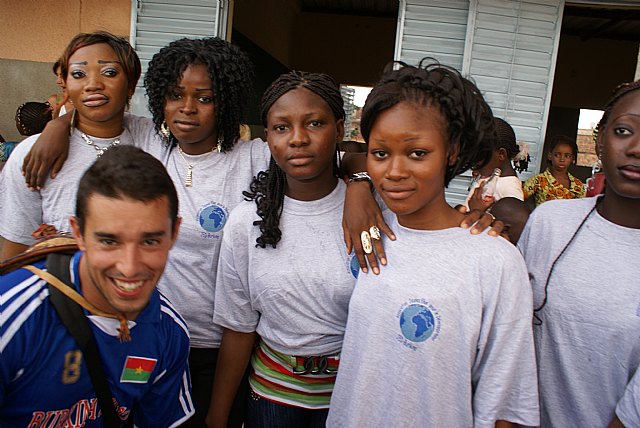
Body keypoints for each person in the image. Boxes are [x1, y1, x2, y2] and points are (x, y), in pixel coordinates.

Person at [327, 61, 539, 427]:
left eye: (417, 153)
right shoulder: (368, 228)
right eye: (381, 153)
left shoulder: (494, 259)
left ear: (452, 151)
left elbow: (507, 404)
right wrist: (359, 185)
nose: (394, 171)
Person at [0, 145, 194, 426]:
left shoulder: (168, 332)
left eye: (150, 241)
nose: (129, 267)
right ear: (78, 233)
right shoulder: (10, 317)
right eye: (109, 241)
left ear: (174, 233)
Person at [207, 71, 357, 428]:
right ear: (267, 137)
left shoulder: (371, 212)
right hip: (272, 400)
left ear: (339, 129)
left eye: (315, 123)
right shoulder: (246, 223)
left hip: (354, 397)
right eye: (281, 127)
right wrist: (217, 416)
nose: (298, 139)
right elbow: (239, 326)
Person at [518, 80, 640, 427]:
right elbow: (509, 328)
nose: (637, 148)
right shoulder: (551, 222)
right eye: (623, 130)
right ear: (600, 140)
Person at [0, 31, 144, 260]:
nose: (93, 84)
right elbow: (14, 252)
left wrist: (59, 123)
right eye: (79, 74)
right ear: (66, 85)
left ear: (131, 85)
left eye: (109, 72)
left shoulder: (151, 140)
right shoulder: (32, 154)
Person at [462, 117, 524, 212]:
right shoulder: (490, 177)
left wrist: (477, 212)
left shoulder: (509, 188)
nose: (474, 161)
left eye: (479, 155)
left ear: (501, 154)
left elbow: (515, 224)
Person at [523, 134, 585, 207]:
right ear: (550, 155)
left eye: (567, 156)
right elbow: (518, 198)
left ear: (572, 159)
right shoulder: (539, 180)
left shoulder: (578, 185)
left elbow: (583, 208)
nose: (562, 159)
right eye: (557, 155)